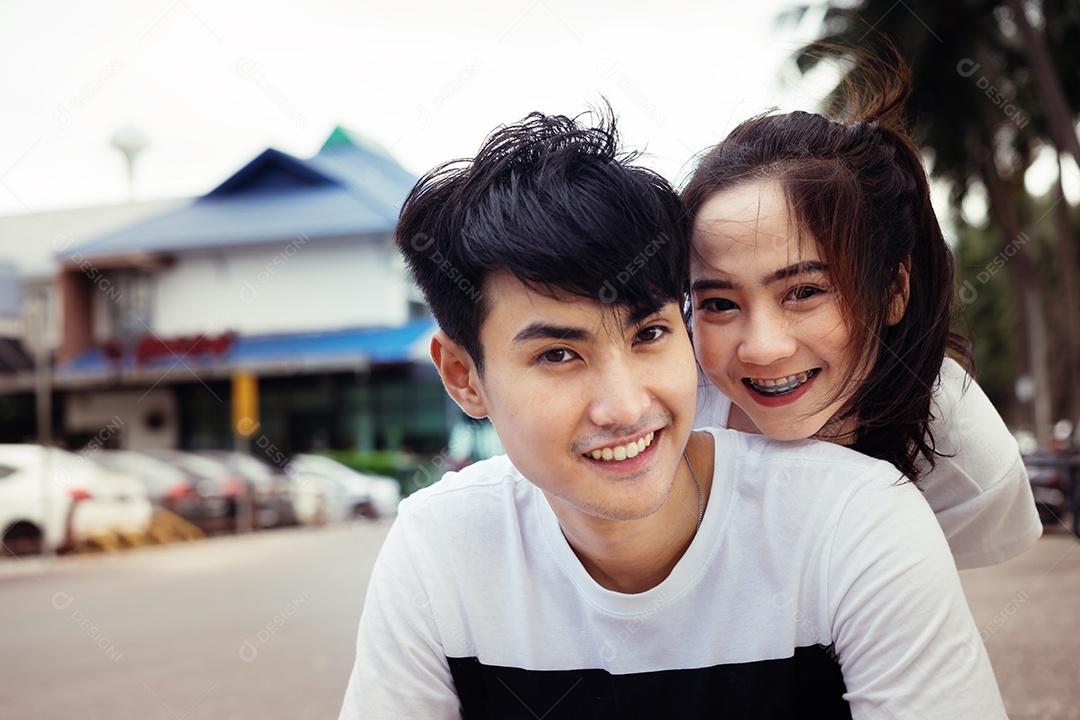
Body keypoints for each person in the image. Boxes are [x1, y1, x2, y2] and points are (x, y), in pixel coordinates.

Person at [337, 107, 1006, 719]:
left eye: (648, 334)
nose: (625, 407)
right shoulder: (438, 547)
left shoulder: (874, 511)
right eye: (559, 356)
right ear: (463, 375)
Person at [682, 65, 1041, 570]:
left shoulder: (964, 460)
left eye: (804, 292)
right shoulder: (664, 410)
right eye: (719, 304)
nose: (762, 348)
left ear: (892, 291)